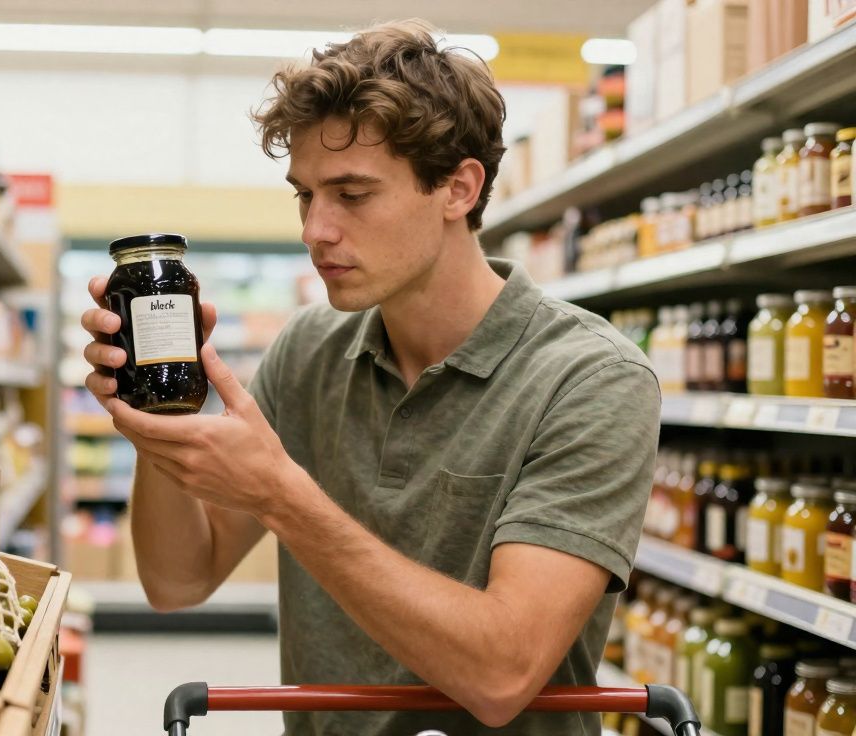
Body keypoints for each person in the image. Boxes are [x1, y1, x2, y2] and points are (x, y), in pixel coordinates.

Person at [80, 19, 660, 736]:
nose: (314, 230)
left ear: (458, 189)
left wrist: (281, 494)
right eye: (305, 195)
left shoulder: (591, 379)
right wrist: (159, 413)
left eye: (351, 195)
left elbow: (504, 673)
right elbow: (177, 582)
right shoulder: (310, 351)